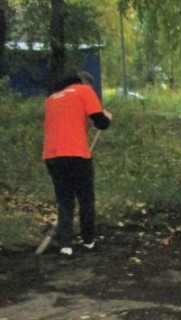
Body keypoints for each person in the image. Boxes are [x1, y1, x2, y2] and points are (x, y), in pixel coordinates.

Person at [42, 71, 112, 257]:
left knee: (65, 200)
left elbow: (69, 123)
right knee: (85, 199)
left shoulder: (52, 98)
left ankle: (66, 245)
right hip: (76, 154)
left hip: (52, 155)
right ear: (84, 83)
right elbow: (101, 123)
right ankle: (88, 242)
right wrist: (107, 117)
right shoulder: (84, 91)